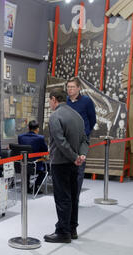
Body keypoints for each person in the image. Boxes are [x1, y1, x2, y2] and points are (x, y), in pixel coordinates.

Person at [44, 89, 88, 243]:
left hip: (60, 162)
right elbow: (84, 139)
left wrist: (74, 156)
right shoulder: (77, 116)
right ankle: (72, 228)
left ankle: (63, 232)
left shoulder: (55, 116)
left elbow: (60, 141)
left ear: (54, 99)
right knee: (73, 196)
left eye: (49, 100)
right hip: (74, 163)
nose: (49, 103)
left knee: (63, 197)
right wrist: (81, 155)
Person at [66, 77, 96, 199]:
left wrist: (86, 133)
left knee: (78, 169)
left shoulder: (87, 101)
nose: (70, 89)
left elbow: (92, 120)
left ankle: (75, 198)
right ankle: (68, 197)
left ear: (79, 88)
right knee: (66, 169)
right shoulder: (65, 102)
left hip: (80, 140)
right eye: (68, 87)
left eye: (72, 87)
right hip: (66, 140)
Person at [18, 120, 48, 194]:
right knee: (45, 170)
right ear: (37, 129)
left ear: (28, 128)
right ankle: (35, 187)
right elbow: (45, 150)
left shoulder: (20, 137)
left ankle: (26, 188)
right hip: (35, 166)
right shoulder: (40, 138)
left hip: (22, 165)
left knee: (28, 166)